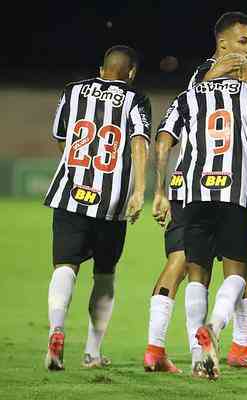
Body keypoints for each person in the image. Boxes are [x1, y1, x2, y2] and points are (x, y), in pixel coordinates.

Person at [144, 11, 247, 374]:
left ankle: (183, 352)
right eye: (243, 41)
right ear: (222, 44)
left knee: (193, 265)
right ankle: (228, 343)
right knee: (203, 262)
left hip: (191, 184)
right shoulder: (216, 79)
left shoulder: (192, 91)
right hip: (206, 186)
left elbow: (175, 133)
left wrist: (160, 188)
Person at [43, 45, 150, 370]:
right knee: (104, 274)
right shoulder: (136, 99)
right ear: (130, 73)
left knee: (65, 266)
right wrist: (140, 190)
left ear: (102, 69)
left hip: (70, 193)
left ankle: (56, 329)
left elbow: (61, 136)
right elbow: (139, 142)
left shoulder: (72, 91)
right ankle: (92, 351)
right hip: (110, 201)